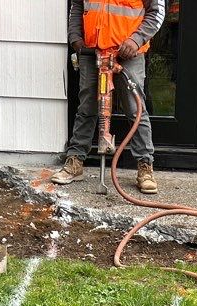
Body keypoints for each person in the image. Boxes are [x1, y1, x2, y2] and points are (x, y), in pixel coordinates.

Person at [52, 0, 163, 195]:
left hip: (128, 53)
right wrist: (75, 37)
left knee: (135, 110)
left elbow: (157, 13)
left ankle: (145, 166)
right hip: (91, 51)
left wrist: (136, 40)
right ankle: (75, 160)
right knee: (87, 107)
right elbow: (77, 5)